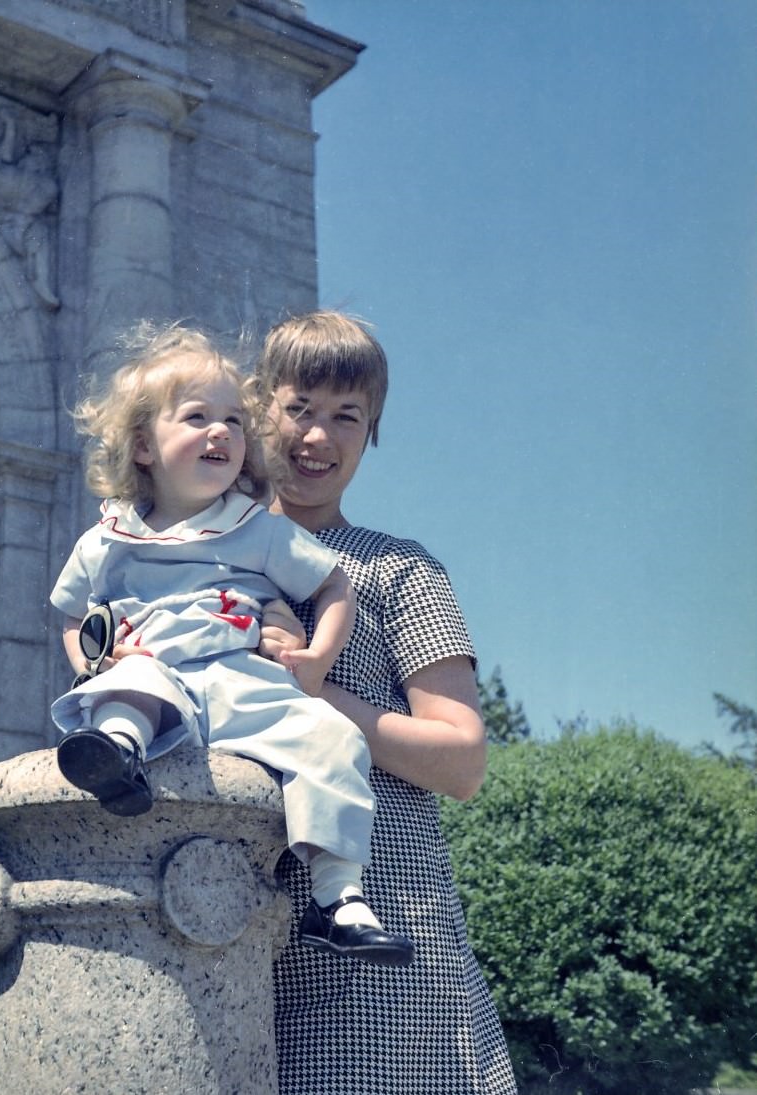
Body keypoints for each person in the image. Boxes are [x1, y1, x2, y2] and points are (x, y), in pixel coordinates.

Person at [49, 325, 412, 966]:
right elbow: (71, 620)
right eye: (197, 417)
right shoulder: (105, 539)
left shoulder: (255, 528)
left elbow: (334, 585)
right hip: (156, 678)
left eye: (234, 421)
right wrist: (95, 663)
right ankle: (116, 760)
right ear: (142, 446)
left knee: (334, 740)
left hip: (242, 679)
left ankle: (340, 897)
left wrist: (318, 658)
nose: (221, 432)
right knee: (128, 690)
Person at [255, 311, 517, 1092]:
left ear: (372, 434)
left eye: (348, 417)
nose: (318, 437)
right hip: (234, 920)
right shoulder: (202, 559)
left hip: (385, 944)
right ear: (260, 406)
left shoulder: (400, 569)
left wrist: (315, 691)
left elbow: (463, 758)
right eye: (300, 407)